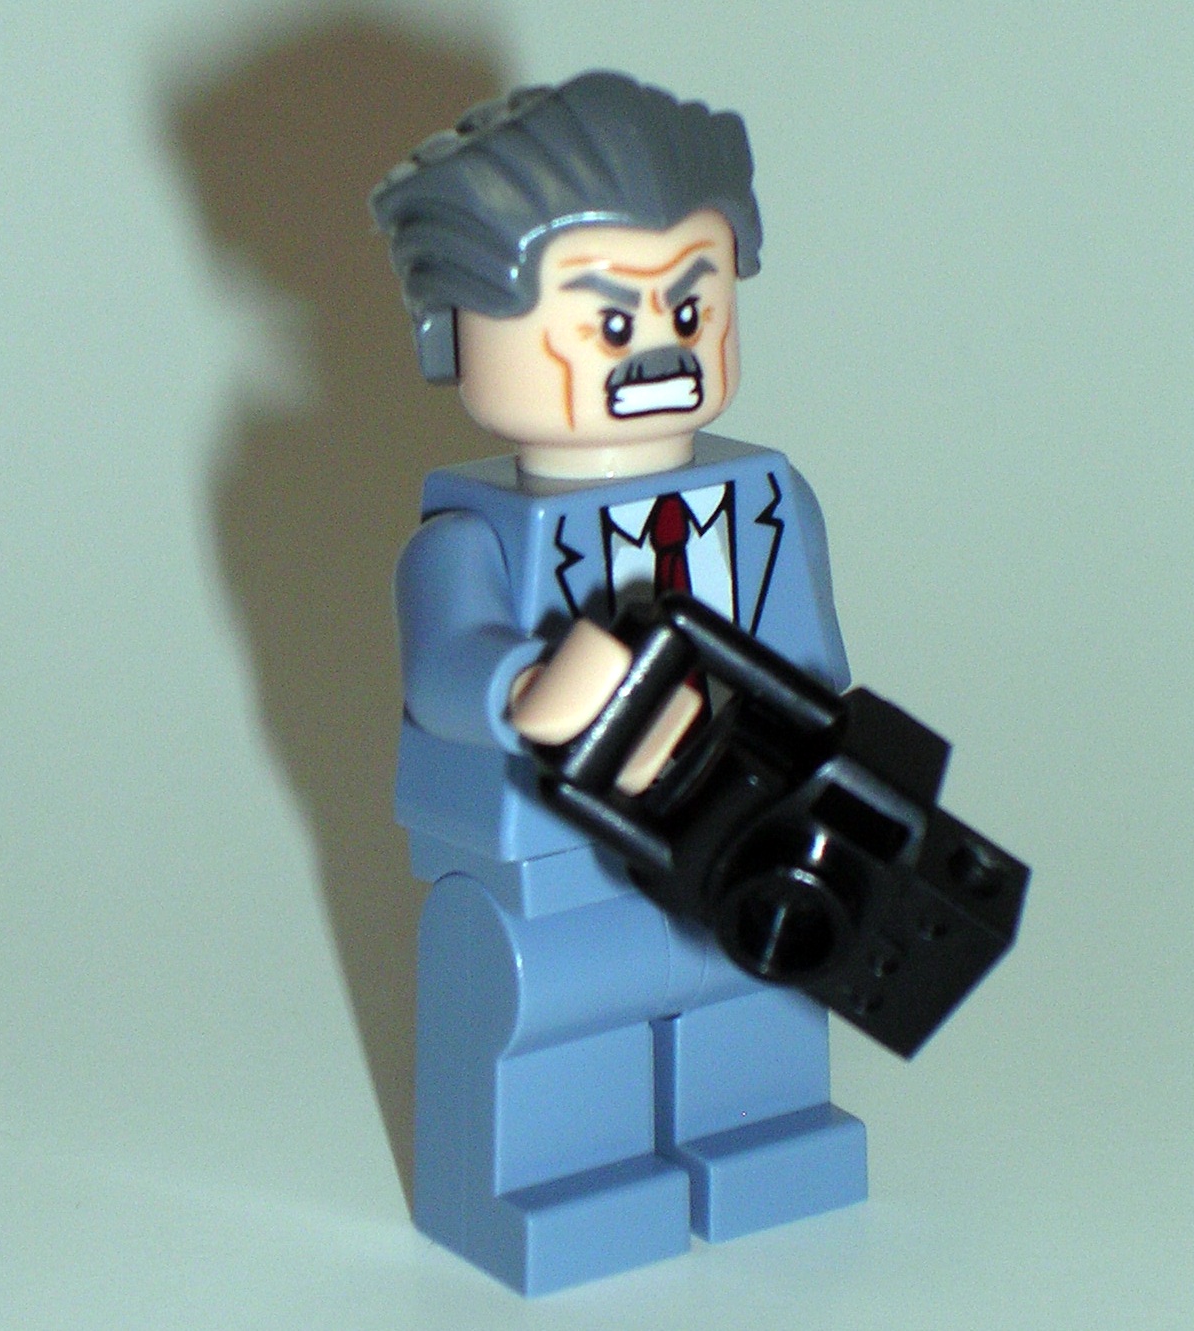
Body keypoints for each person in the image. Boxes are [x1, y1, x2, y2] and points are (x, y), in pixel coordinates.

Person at [371, 70, 866, 1296]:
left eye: (691, 305)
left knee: (755, 979)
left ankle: (755, 1129)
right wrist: (528, 682)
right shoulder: (470, 537)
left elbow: (818, 663)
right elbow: (446, 663)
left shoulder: (767, 501)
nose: (657, 347)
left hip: (745, 826)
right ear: (451, 334)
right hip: (561, 852)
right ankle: (555, 1176)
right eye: (603, 318)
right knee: (551, 1005)